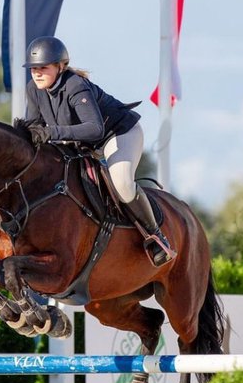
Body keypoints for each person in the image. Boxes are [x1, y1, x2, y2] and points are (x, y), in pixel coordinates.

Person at [16, 36, 175, 266]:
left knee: (121, 183)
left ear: (60, 67)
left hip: (118, 135)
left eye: (43, 68)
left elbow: (94, 129)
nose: (37, 73)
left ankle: (156, 237)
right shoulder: (34, 90)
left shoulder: (75, 85)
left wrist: (51, 133)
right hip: (82, 145)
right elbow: (33, 127)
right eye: (33, 69)